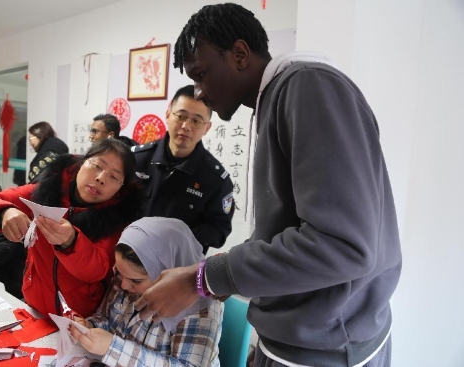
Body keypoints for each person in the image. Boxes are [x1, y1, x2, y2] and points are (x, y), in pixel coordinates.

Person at [134, 4, 402, 367]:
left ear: (240, 54)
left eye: (201, 74)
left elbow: (341, 244)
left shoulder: (308, 86)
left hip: (326, 349)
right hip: (300, 339)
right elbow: (287, 230)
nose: (198, 93)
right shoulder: (279, 98)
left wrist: (203, 279)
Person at [0, 139, 143, 318]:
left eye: (114, 177)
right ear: (81, 162)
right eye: (97, 166)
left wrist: (71, 242)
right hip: (34, 305)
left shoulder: (117, 219)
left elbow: (97, 270)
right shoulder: (46, 191)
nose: (101, 178)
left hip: (80, 318)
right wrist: (3, 212)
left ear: (122, 188)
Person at [69, 217, 223, 367]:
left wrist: (112, 347)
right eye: (118, 273)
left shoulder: (201, 308)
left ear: (166, 274)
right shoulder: (125, 278)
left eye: (136, 281)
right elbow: (106, 318)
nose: (122, 285)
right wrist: (90, 326)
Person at [131, 85, 234, 254]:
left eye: (196, 121)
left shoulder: (215, 179)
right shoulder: (137, 160)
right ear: (168, 114)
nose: (186, 126)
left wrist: (179, 239)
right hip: (128, 257)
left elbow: (219, 230)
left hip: (177, 267)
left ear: (207, 128)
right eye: (181, 116)